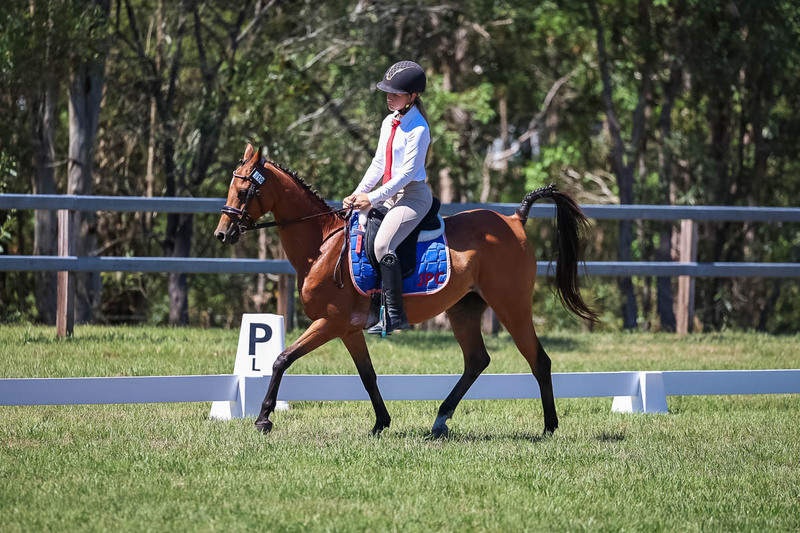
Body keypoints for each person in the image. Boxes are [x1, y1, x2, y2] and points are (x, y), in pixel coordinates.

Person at [343, 60, 433, 335]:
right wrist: (359, 193)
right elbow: (379, 164)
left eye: (396, 93)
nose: (389, 97)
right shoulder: (389, 122)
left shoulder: (418, 129)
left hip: (412, 197)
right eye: (387, 91)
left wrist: (373, 197)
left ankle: (395, 315)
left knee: (383, 245)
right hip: (387, 193)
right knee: (355, 226)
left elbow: (405, 175)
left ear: (413, 96)